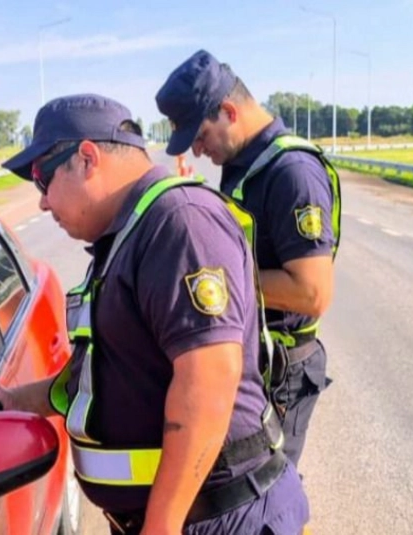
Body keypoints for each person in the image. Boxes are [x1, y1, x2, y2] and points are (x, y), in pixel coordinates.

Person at [0, 94, 308, 534]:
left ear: (86, 158)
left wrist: (161, 527)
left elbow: (208, 381)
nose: (42, 202)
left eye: (43, 179)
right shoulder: (128, 232)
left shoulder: (179, 221)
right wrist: (13, 401)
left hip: (222, 519)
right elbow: (107, 373)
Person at [156, 50, 342, 467]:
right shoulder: (246, 163)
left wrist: (218, 281)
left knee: (268, 484)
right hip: (256, 356)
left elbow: (312, 292)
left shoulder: (292, 171)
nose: (198, 150)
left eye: (200, 136)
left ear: (228, 111)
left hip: (283, 368)